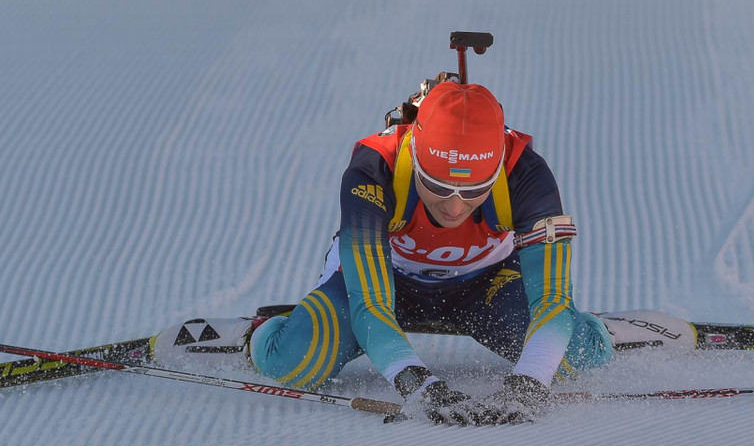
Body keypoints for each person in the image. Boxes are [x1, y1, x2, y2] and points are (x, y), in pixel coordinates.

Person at [157, 80, 614, 424]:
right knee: (292, 362)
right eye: (437, 186)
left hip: (486, 286)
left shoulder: (526, 172)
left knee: (576, 355)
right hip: (384, 283)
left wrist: (530, 383)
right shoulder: (374, 167)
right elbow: (370, 304)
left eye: (475, 190)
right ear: (415, 156)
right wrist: (419, 384)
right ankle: (258, 334)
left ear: (496, 167)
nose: (455, 207)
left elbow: (551, 297)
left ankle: (595, 327)